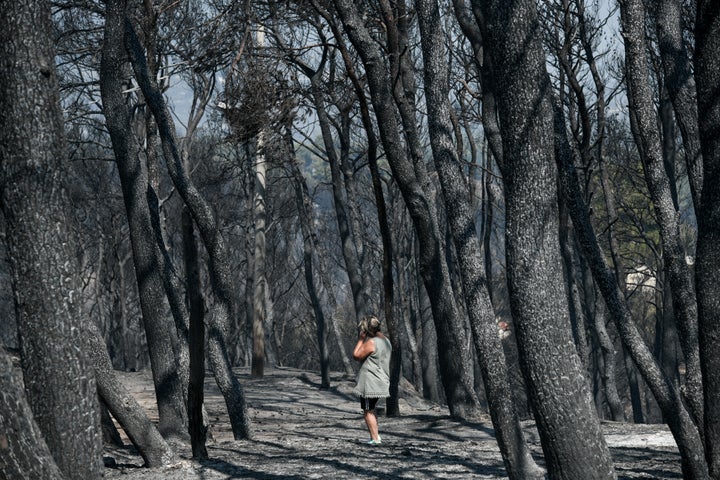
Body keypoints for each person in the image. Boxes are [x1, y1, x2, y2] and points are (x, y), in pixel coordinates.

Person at [352, 314, 392, 445]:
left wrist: (360, 340)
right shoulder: (386, 341)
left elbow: (356, 355)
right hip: (381, 379)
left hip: (371, 382)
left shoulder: (371, 342)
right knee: (372, 408)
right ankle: (376, 436)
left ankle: (375, 439)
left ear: (367, 329)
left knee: (368, 410)